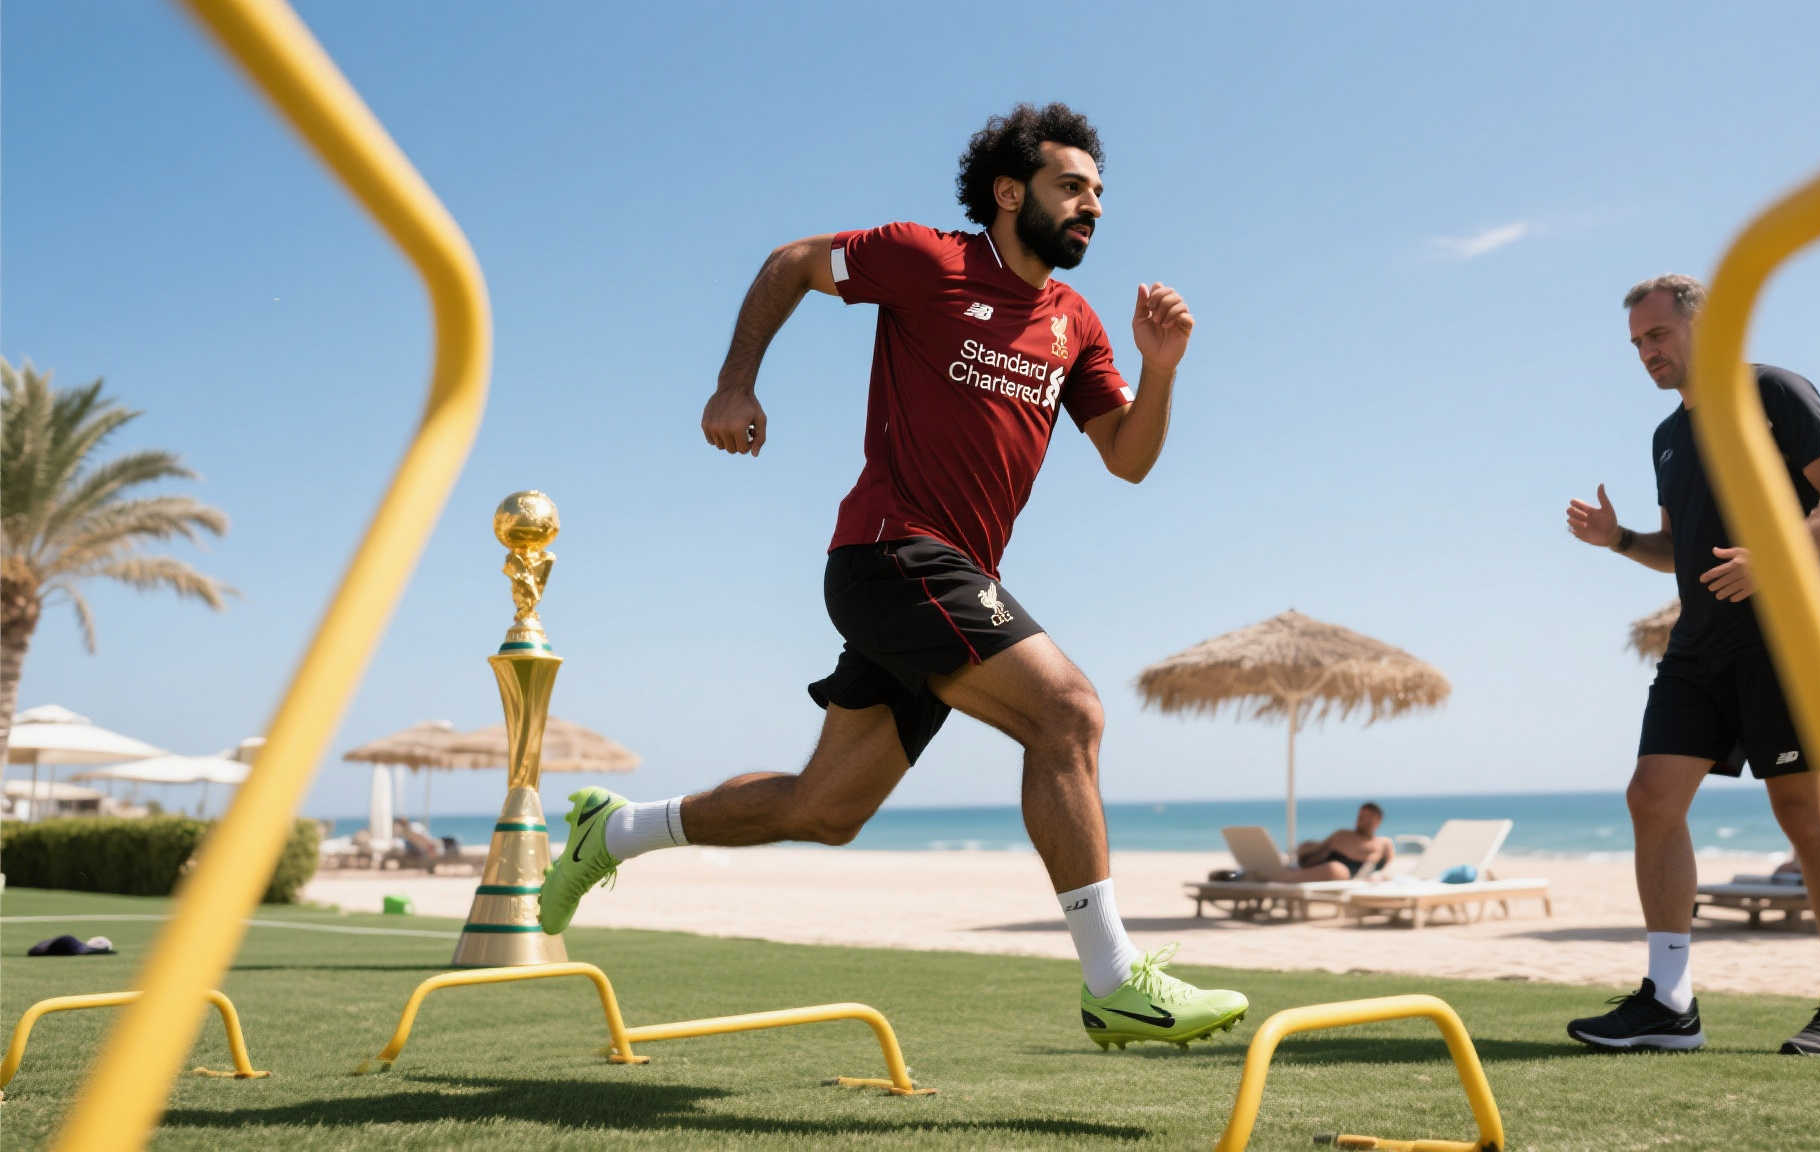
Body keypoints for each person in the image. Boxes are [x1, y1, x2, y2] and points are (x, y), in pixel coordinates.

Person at [538, 103, 1247, 1050]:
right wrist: (736, 382)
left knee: (824, 808)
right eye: (1073, 187)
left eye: (1099, 193)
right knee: (1069, 713)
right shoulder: (927, 259)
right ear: (1010, 193)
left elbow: (1127, 457)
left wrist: (1162, 370)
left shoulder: (1076, 324)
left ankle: (614, 831)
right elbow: (792, 262)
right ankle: (1113, 980)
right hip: (893, 554)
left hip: (946, 580)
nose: (1094, 206)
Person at [1563, 274, 1820, 1056]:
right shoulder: (1667, 437)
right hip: (1698, 647)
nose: (1647, 353)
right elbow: (1679, 549)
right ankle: (1670, 1004)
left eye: (1657, 335)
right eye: (1637, 343)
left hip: (1786, 639)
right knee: (1651, 797)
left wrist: (1775, 555)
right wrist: (1620, 540)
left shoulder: (1774, 392)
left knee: (1804, 813)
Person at [1291, 801, 1395, 880]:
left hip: (1357, 877)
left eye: (1368, 818)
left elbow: (1390, 865)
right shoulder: (1343, 835)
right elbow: (1318, 850)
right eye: (1361, 817)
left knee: (1336, 869)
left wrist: (1380, 875)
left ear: (1378, 820)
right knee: (1334, 868)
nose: (1362, 821)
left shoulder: (1384, 843)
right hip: (1328, 870)